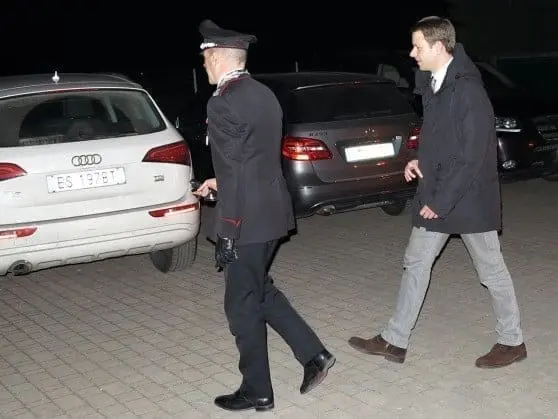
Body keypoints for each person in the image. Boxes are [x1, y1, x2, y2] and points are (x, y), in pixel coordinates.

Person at [348, 16, 527, 369]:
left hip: (468, 198)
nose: (412, 53)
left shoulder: (468, 91)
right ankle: (395, 339)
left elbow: (472, 155)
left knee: (491, 271)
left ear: (439, 46)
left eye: (417, 47)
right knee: (416, 261)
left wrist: (441, 202)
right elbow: (443, 139)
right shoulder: (436, 84)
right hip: (439, 192)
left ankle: (512, 341)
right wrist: (419, 160)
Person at [193, 19, 335, 412]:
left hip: (246, 221)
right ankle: (314, 355)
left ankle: (257, 390)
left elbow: (237, 168)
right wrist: (219, 182)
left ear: (217, 57)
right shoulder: (263, 93)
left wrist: (228, 227)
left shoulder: (222, 102)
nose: (203, 65)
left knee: (241, 306)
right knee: (259, 291)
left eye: (205, 58)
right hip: (272, 211)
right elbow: (250, 160)